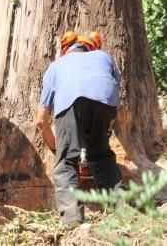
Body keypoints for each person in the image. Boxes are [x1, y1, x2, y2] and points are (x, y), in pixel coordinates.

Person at [35, 31, 122, 226]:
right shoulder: (105, 58)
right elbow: (115, 96)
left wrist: (58, 150)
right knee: (101, 155)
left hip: (71, 101)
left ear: (66, 50)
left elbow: (41, 120)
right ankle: (120, 209)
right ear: (91, 48)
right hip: (106, 102)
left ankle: (73, 219)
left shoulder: (56, 66)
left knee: (66, 162)